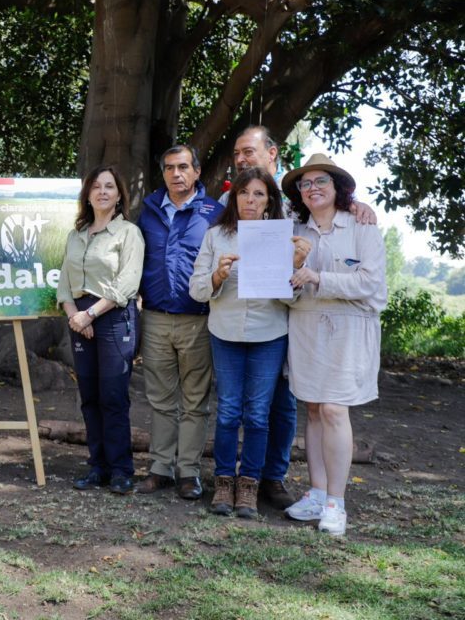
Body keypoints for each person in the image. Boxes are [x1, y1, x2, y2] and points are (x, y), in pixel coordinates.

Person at [220, 125, 377, 510]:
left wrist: (357, 205)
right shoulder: (241, 201)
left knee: (285, 404)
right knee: (294, 404)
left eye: (250, 152)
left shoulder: (302, 206)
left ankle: (274, 478)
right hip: (282, 315)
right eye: (237, 153)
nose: (242, 159)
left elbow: (349, 253)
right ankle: (257, 480)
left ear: (272, 154)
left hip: (295, 321)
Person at [189, 167, 311, 517]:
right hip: (225, 333)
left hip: (268, 335)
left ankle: (249, 485)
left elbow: (293, 302)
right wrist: (217, 276)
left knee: (258, 414)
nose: (251, 200)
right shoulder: (216, 236)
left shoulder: (283, 239)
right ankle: (224, 482)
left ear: (270, 200)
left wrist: (294, 265)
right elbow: (197, 291)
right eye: (245, 193)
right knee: (228, 411)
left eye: (259, 194)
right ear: (234, 197)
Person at [280, 154, 386, 536]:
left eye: (320, 181)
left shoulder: (362, 226)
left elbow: (369, 283)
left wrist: (318, 277)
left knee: (334, 410)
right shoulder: (295, 231)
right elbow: (284, 291)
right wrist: (292, 272)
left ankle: (336, 504)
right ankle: (317, 492)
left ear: (338, 187)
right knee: (312, 409)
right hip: (306, 326)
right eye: (305, 184)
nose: (312, 189)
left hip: (350, 330)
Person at [134, 145, 224, 500]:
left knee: (195, 401)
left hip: (199, 319)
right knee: (159, 398)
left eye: (183, 167)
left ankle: (188, 472)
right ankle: (159, 468)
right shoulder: (148, 210)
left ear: (197, 171)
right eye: (169, 167)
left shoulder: (214, 213)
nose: (176, 174)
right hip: (155, 317)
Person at [57, 165, 145, 494]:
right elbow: (64, 283)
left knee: (113, 397)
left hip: (112, 318)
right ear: (88, 194)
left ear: (120, 194)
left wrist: (90, 315)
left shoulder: (128, 233)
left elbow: (127, 283)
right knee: (89, 397)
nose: (102, 191)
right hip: (79, 318)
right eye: (96, 186)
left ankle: (122, 469)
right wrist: (75, 317)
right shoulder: (76, 235)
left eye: (109, 186)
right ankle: (98, 467)